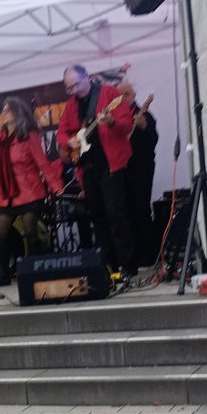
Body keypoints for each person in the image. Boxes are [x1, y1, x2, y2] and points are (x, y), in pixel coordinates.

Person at [58, 64, 138, 285]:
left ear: (87, 77)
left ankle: (128, 266)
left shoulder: (109, 94)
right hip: (89, 167)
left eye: (76, 84)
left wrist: (111, 121)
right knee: (98, 218)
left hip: (111, 164)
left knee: (116, 215)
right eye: (69, 87)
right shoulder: (71, 104)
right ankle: (107, 265)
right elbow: (62, 131)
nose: (74, 90)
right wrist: (69, 141)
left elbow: (126, 124)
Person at [0, 96, 62, 288]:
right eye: (2, 110)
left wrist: (56, 186)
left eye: (7, 110)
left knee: (30, 231)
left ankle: (36, 272)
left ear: (17, 112)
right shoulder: (0, 140)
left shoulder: (29, 135)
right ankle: (3, 275)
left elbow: (42, 163)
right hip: (8, 196)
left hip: (30, 191)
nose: (3, 113)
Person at [119, 81, 159, 278]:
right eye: (120, 95)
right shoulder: (117, 117)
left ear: (133, 95)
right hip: (122, 171)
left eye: (126, 94)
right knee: (125, 212)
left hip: (141, 169)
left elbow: (153, 140)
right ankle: (131, 255)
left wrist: (144, 127)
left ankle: (148, 255)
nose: (123, 98)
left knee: (141, 209)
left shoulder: (144, 115)